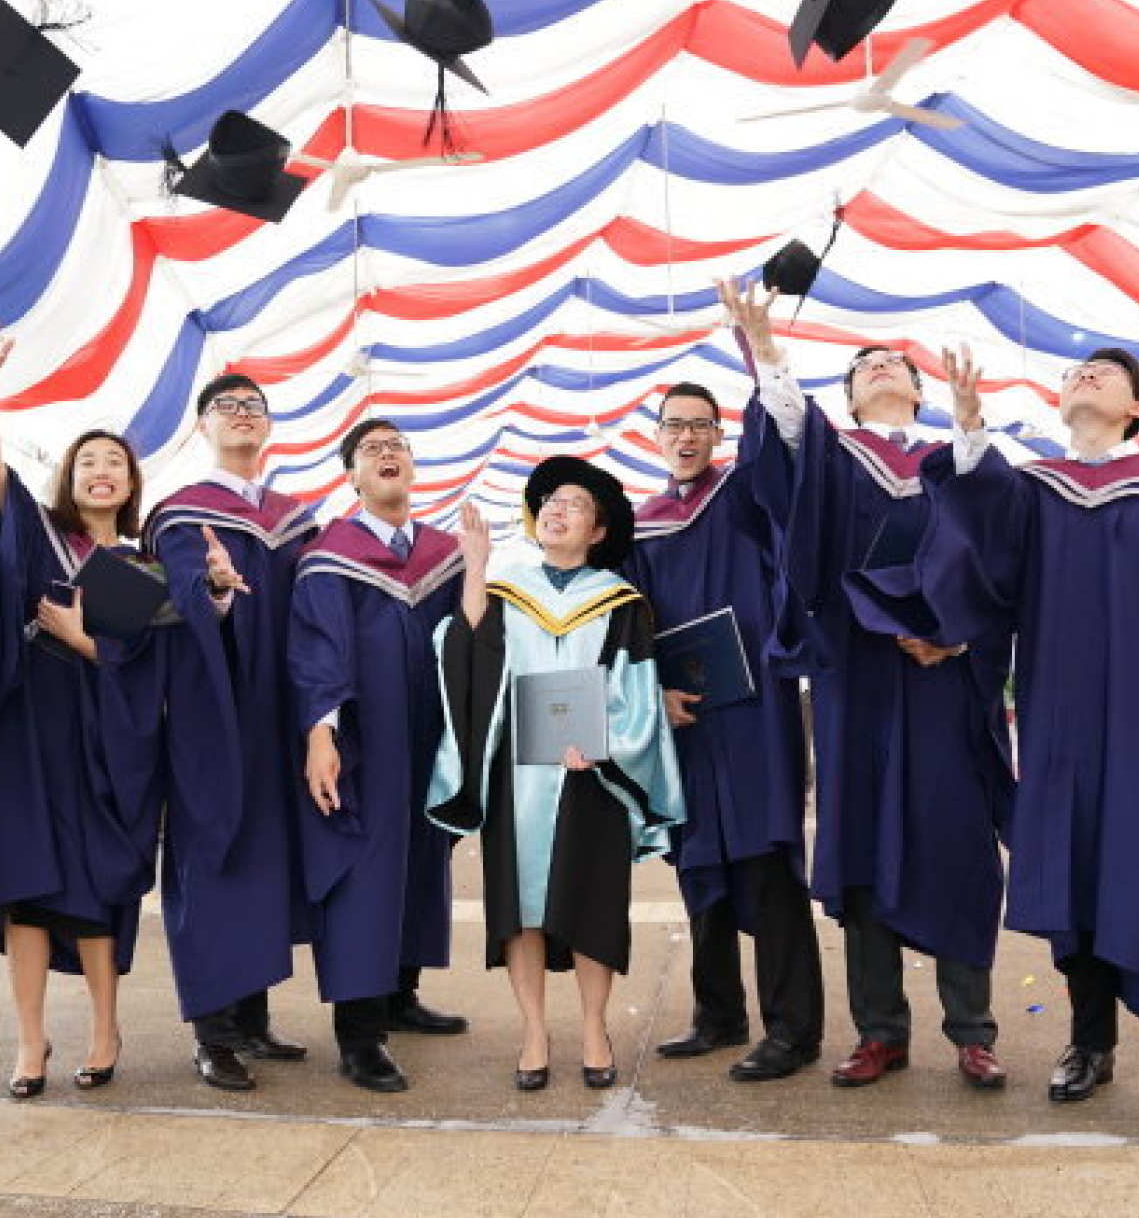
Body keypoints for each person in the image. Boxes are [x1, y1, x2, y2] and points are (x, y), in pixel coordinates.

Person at [848, 344, 1139, 1158]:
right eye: (1073, 373)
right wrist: (966, 424)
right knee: (1073, 882)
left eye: (1105, 372)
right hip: (1060, 725)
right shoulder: (1038, 494)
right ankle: (1091, 1045)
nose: (1083, 376)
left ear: (1137, 406)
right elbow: (981, 559)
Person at [724, 277, 1015, 1093]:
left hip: (943, 685)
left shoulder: (956, 460)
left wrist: (958, 638)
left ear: (921, 392)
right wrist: (770, 355)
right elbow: (787, 459)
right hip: (857, 677)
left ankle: (973, 1031)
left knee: (957, 846)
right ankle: (880, 1031)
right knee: (859, 850)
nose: (882, 366)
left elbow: (998, 553)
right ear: (849, 398)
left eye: (896, 362)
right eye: (866, 365)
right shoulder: (836, 460)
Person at [0, 328, 174, 1099]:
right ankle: (29, 1042)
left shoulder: (149, 562)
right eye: (88, 459)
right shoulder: (36, 533)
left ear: (130, 482)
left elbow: (155, 670)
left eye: (114, 461)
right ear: (67, 477)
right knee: (24, 888)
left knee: (91, 894)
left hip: (109, 745)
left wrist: (86, 642)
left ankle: (104, 1029)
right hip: (27, 733)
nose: (101, 470)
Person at [428, 463, 685, 1090]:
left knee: (595, 903)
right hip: (520, 771)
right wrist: (477, 565)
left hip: (590, 772)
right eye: (549, 502)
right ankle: (535, 1031)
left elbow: (637, 688)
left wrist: (606, 747)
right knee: (520, 908)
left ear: (597, 531)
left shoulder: (620, 602)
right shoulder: (508, 591)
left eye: (573, 503)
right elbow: (467, 652)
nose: (556, 509)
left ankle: (595, 1028)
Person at [624, 383, 824, 1081]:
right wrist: (651, 689)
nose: (686, 436)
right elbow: (626, 623)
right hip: (683, 716)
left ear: (717, 435)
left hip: (752, 712)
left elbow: (783, 469)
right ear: (655, 435)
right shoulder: (639, 526)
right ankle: (718, 1013)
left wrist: (760, 356)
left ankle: (793, 1030)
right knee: (697, 859)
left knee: (766, 861)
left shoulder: (742, 497)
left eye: (700, 425)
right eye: (674, 424)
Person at [144, 373, 315, 1092]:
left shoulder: (293, 517)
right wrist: (215, 589)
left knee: (264, 861)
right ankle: (211, 1033)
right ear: (203, 426)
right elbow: (178, 608)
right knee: (213, 860)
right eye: (228, 407)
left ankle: (252, 1016)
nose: (243, 417)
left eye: (254, 408)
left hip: (277, 715)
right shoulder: (183, 516)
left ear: (269, 428)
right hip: (212, 714)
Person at [289, 418, 468, 1094]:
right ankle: (359, 1035)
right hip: (365, 742)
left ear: (414, 468)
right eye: (372, 450)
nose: (388, 455)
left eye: (398, 446)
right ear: (352, 477)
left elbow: (471, 641)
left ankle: (401, 993)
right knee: (364, 875)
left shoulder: (446, 553)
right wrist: (321, 733)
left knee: (424, 859)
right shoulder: (331, 555)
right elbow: (316, 648)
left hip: (430, 738)